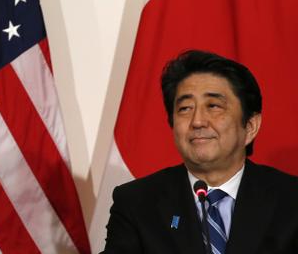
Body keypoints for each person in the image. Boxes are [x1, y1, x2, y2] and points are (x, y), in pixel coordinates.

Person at [102, 50, 298, 253]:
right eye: (185, 108)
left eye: (213, 106)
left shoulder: (291, 201)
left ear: (250, 126)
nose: (197, 121)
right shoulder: (137, 203)